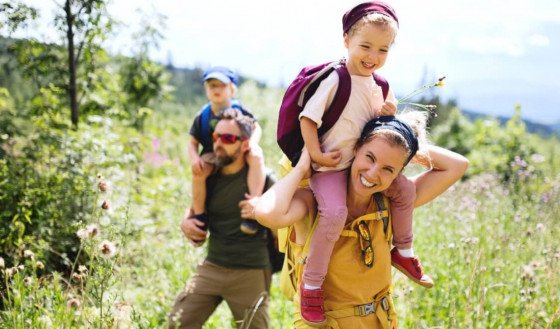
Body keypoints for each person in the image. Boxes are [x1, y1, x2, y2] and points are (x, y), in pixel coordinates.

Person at [255, 114, 469, 328]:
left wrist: (403, 144)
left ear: (398, 173)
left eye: (388, 169)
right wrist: (303, 167)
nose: (373, 174)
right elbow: (265, 213)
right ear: (355, 149)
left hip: (379, 321)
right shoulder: (314, 201)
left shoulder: (390, 201)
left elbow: (457, 165)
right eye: (370, 157)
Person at [290, 1, 429, 325]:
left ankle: (403, 251)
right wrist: (316, 155)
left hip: (362, 166)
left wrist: (388, 113)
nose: (373, 56)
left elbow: (383, 126)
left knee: (405, 192)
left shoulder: (379, 84)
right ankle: (312, 285)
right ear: (346, 41)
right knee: (335, 213)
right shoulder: (336, 79)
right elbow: (308, 119)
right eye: (365, 46)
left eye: (382, 49)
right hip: (330, 167)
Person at [170, 110, 273, 329]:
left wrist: (262, 209)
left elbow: (283, 224)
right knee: (177, 322)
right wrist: (185, 221)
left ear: (245, 144)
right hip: (213, 265)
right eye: (216, 137)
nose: (218, 144)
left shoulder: (264, 178)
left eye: (227, 139)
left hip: (250, 270)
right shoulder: (209, 175)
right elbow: (194, 209)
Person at [188, 66, 266, 236]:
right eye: (212, 86)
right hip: (212, 152)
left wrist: (252, 143)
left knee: (256, 156)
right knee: (199, 173)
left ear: (232, 89)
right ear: (206, 89)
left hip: (239, 150)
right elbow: (192, 141)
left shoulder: (241, 110)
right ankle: (200, 216)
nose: (216, 90)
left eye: (221, 86)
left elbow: (256, 127)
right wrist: (194, 158)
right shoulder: (203, 115)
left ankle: (253, 207)